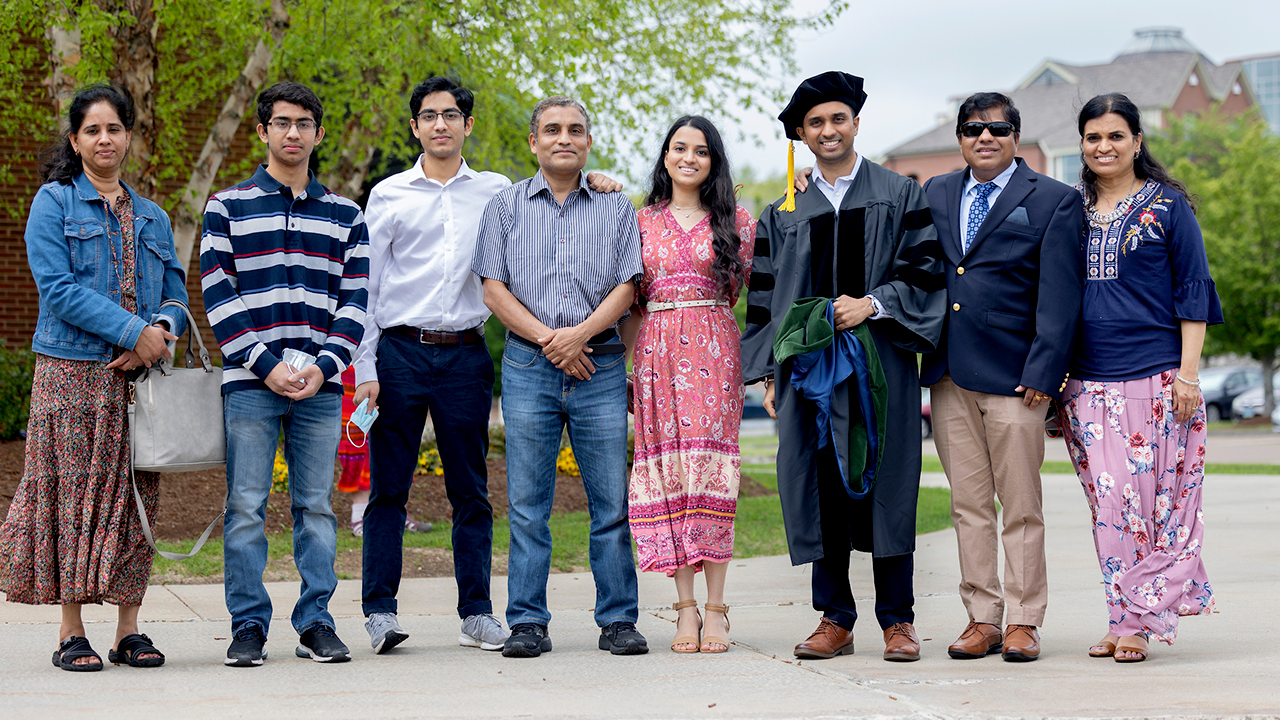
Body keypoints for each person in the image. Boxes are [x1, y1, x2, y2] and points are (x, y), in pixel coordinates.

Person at [353, 77, 623, 656]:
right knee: (388, 490)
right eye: (430, 116)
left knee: (471, 492)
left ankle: (477, 612)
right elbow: (367, 286)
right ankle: (379, 611)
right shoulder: (388, 194)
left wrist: (599, 181)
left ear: (468, 125)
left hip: (465, 355)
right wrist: (365, 364)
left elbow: (558, 197)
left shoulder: (499, 192)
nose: (441, 125)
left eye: (452, 115)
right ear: (415, 127)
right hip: (399, 352)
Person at [742, 71, 946, 663]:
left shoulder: (899, 193)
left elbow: (924, 274)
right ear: (801, 134)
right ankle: (835, 617)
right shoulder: (784, 208)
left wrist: (874, 303)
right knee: (818, 482)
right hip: (808, 372)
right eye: (815, 123)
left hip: (881, 362)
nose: (828, 130)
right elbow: (763, 295)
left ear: (855, 123)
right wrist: (764, 374)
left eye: (838, 119)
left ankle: (898, 620)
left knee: (888, 481)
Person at [0, 83, 187, 671]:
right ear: (77, 141)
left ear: (128, 135)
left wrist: (159, 330)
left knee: (136, 500)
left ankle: (129, 630)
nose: (104, 139)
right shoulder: (52, 204)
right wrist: (134, 334)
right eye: (92, 131)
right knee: (73, 497)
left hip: (140, 384)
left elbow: (178, 294)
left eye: (114, 129)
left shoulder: (154, 216)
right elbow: (57, 291)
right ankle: (71, 630)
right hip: (71, 375)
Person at [200, 81, 369, 666]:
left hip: (320, 389)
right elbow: (218, 298)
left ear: (319, 134)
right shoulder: (226, 207)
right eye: (282, 123)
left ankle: (316, 622)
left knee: (316, 507)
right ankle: (247, 625)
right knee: (245, 505)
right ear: (262, 131)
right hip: (250, 385)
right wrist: (267, 366)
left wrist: (325, 368)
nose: (293, 133)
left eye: (304, 124)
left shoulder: (346, 215)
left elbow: (355, 303)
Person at [472, 95, 646, 658]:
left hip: (600, 365)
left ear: (588, 142)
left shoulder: (616, 208)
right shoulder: (504, 207)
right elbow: (492, 287)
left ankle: (618, 620)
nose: (563, 138)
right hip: (529, 365)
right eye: (551, 130)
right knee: (527, 502)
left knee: (610, 502)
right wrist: (553, 340)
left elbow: (628, 284)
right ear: (534, 142)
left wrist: (578, 336)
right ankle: (527, 622)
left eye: (575, 130)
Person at [1057, 92, 1221, 663]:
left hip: (1159, 381)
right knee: (1112, 511)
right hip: (1086, 385)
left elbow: (1194, 294)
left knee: (1161, 510)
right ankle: (1122, 617)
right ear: (1081, 145)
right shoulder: (1067, 210)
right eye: (1093, 137)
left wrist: (1189, 377)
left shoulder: (1169, 207)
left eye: (1115, 136)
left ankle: (1136, 622)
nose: (1104, 146)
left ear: (1137, 142)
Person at [919, 92, 1084, 662]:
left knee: (1020, 506)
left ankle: (1024, 620)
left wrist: (1046, 371)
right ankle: (982, 618)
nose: (983, 137)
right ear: (961, 137)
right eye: (972, 129)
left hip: (1018, 379)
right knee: (967, 506)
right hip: (948, 376)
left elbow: (1061, 297)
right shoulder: (935, 191)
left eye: (997, 128)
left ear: (1016, 134)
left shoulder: (1055, 199)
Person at [618, 116, 755, 654]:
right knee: (670, 477)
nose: (689, 158)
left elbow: (741, 291)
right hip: (655, 357)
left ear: (713, 161)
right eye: (680, 148)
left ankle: (717, 608)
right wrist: (637, 363)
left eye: (701, 150)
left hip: (714, 354)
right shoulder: (638, 221)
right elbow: (630, 300)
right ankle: (685, 610)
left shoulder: (737, 221)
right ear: (666, 156)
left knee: (711, 474)